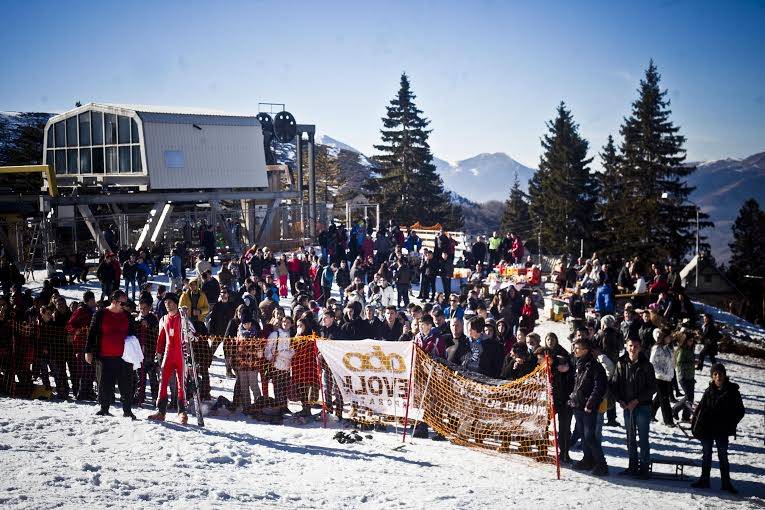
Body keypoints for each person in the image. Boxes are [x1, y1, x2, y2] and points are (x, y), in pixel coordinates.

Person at [690, 363, 745, 493]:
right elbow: (701, 409)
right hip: (708, 429)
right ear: (712, 376)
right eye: (715, 374)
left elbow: (740, 411)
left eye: (720, 373)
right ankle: (704, 480)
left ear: (725, 375)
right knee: (707, 454)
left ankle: (726, 483)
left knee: (723, 456)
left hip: (722, 430)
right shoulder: (708, 391)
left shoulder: (732, 391)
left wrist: (731, 423)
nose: (718, 376)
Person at [84, 290, 137, 420]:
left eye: (126, 303)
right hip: (104, 356)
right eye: (122, 303)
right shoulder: (100, 314)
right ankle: (104, 408)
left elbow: (133, 334)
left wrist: (137, 350)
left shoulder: (127, 315)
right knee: (104, 383)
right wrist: (88, 351)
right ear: (113, 301)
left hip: (124, 357)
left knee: (126, 384)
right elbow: (91, 333)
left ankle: (127, 410)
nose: (124, 306)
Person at [611, 337, 657, 479]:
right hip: (627, 406)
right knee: (630, 438)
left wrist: (637, 400)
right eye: (630, 345)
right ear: (626, 346)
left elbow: (652, 387)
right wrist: (619, 399)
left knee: (643, 438)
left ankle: (644, 468)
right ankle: (632, 466)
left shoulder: (647, 365)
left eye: (636, 346)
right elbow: (614, 383)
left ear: (640, 347)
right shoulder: (621, 363)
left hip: (642, 406)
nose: (633, 348)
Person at [568, 337, 609, 476]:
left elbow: (599, 387)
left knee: (590, 436)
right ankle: (588, 459)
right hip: (578, 404)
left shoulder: (594, 366)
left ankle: (602, 464)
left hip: (588, 407)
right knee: (584, 437)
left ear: (585, 350)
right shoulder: (579, 363)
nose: (574, 350)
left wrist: (590, 403)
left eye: (577, 348)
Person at [148, 293, 190, 423]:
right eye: (166, 302)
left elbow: (192, 334)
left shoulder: (182, 317)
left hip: (180, 355)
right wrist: (158, 354)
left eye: (170, 302)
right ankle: (161, 411)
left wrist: (186, 319)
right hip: (167, 354)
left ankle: (182, 412)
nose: (167, 304)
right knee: (163, 382)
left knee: (180, 384)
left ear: (176, 303)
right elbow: (161, 339)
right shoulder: (163, 319)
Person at [650, 328, 675, 427]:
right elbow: (652, 363)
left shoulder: (668, 348)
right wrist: (662, 373)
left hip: (667, 378)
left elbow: (671, 362)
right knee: (665, 399)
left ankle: (650, 414)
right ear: (664, 337)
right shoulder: (657, 348)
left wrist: (671, 373)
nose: (671, 338)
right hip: (659, 377)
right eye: (669, 336)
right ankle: (668, 421)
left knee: (659, 398)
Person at [673, 331, 696, 422]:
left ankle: (685, 416)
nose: (691, 342)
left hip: (690, 376)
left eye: (692, 341)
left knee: (691, 398)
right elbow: (679, 364)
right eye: (690, 340)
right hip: (683, 377)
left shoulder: (690, 349)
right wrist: (692, 364)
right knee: (688, 396)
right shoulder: (682, 350)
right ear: (685, 341)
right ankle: (675, 409)